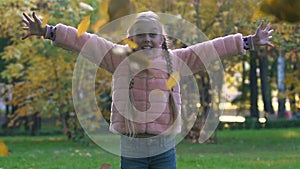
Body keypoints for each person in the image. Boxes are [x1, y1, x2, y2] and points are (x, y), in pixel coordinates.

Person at [22, 11, 274, 169]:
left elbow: (210, 49)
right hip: (132, 145)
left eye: (153, 35)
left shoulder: (177, 60)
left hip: (163, 144)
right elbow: (86, 42)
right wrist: (48, 31)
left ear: (162, 39)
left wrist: (247, 42)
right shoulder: (118, 59)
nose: (147, 40)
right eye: (140, 35)